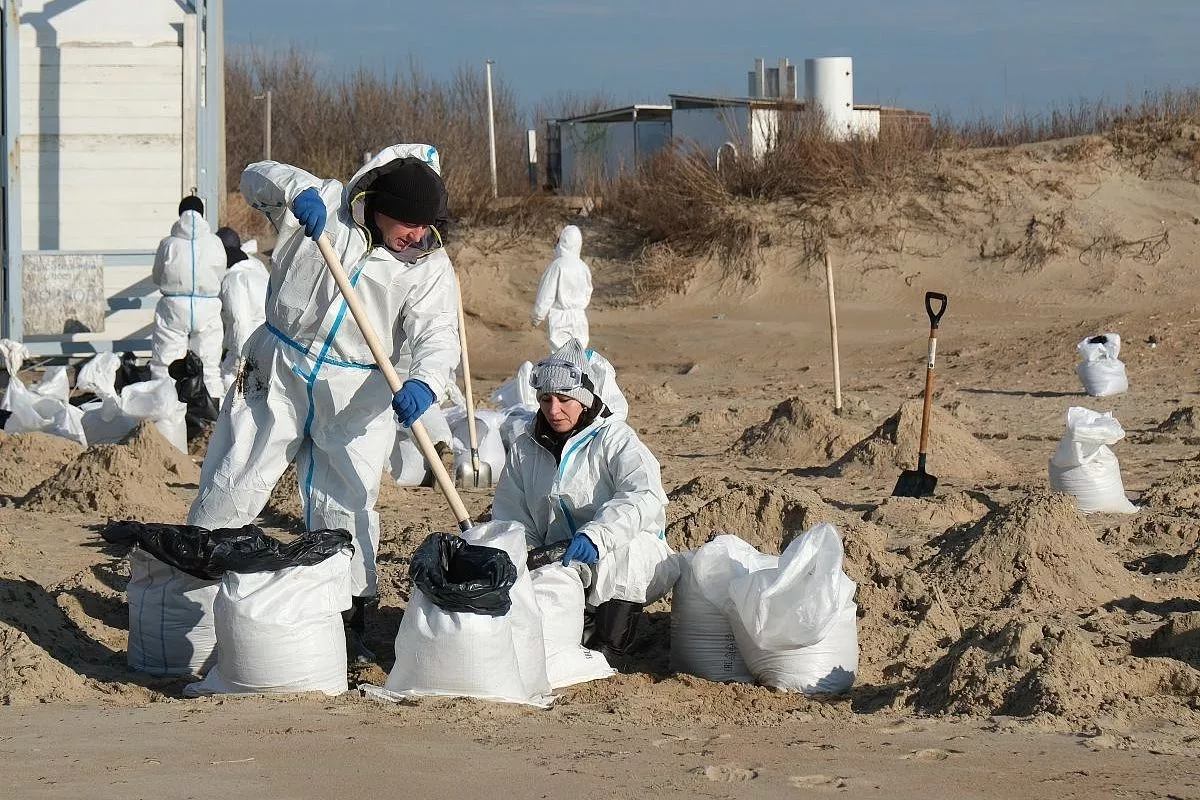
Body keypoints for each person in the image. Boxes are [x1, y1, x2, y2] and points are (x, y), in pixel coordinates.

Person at [188, 144, 461, 662]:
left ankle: (346, 621)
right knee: (236, 476)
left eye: (425, 226)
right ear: (380, 206)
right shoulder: (326, 204)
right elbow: (255, 176)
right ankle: (198, 596)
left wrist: (425, 381)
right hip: (279, 368)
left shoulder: (429, 264)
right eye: (408, 223)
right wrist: (297, 191)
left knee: (348, 503)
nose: (416, 235)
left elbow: (439, 333)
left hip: (358, 390)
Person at [491, 338, 676, 665]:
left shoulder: (616, 440)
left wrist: (596, 536)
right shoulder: (525, 449)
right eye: (545, 399)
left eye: (564, 399)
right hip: (562, 558)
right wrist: (524, 557)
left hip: (627, 556)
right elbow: (511, 515)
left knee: (625, 554)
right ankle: (581, 624)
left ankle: (612, 646)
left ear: (585, 400)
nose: (553, 410)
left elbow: (644, 495)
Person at [150, 195, 227, 400]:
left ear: (180, 214)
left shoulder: (168, 243)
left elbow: (157, 276)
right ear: (202, 214)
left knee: (166, 364)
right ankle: (211, 412)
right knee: (209, 365)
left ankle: (166, 411)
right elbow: (220, 273)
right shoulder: (215, 242)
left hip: (173, 307)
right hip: (208, 306)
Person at [215, 226, 270, 395]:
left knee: (226, 383)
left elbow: (240, 322)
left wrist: (241, 359)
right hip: (269, 341)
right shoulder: (256, 266)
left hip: (248, 344)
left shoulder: (233, 279)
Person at [531, 224, 593, 351]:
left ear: (562, 242)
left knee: (560, 358)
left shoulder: (557, 266)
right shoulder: (583, 268)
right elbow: (588, 291)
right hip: (580, 319)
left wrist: (536, 318)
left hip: (559, 319)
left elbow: (546, 295)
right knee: (577, 357)